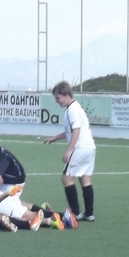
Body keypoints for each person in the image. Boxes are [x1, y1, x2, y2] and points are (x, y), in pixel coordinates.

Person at [43, 81, 94, 223]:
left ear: (66, 95)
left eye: (58, 98)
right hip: (89, 147)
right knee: (84, 178)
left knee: (66, 179)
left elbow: (76, 131)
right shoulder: (75, 107)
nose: (57, 101)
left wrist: (68, 151)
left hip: (80, 148)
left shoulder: (72, 110)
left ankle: (75, 213)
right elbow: (71, 131)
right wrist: (55, 138)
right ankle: (89, 214)